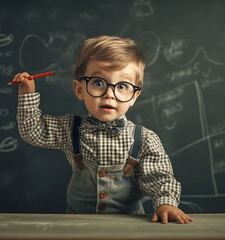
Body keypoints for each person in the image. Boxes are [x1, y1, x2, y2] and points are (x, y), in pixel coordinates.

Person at [14, 35, 193, 224]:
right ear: (79, 89)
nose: (109, 94)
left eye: (122, 86)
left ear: (134, 96)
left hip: (129, 229)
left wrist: (165, 203)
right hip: (76, 228)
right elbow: (33, 131)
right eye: (98, 83)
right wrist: (27, 95)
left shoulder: (145, 139)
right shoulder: (69, 129)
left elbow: (159, 178)